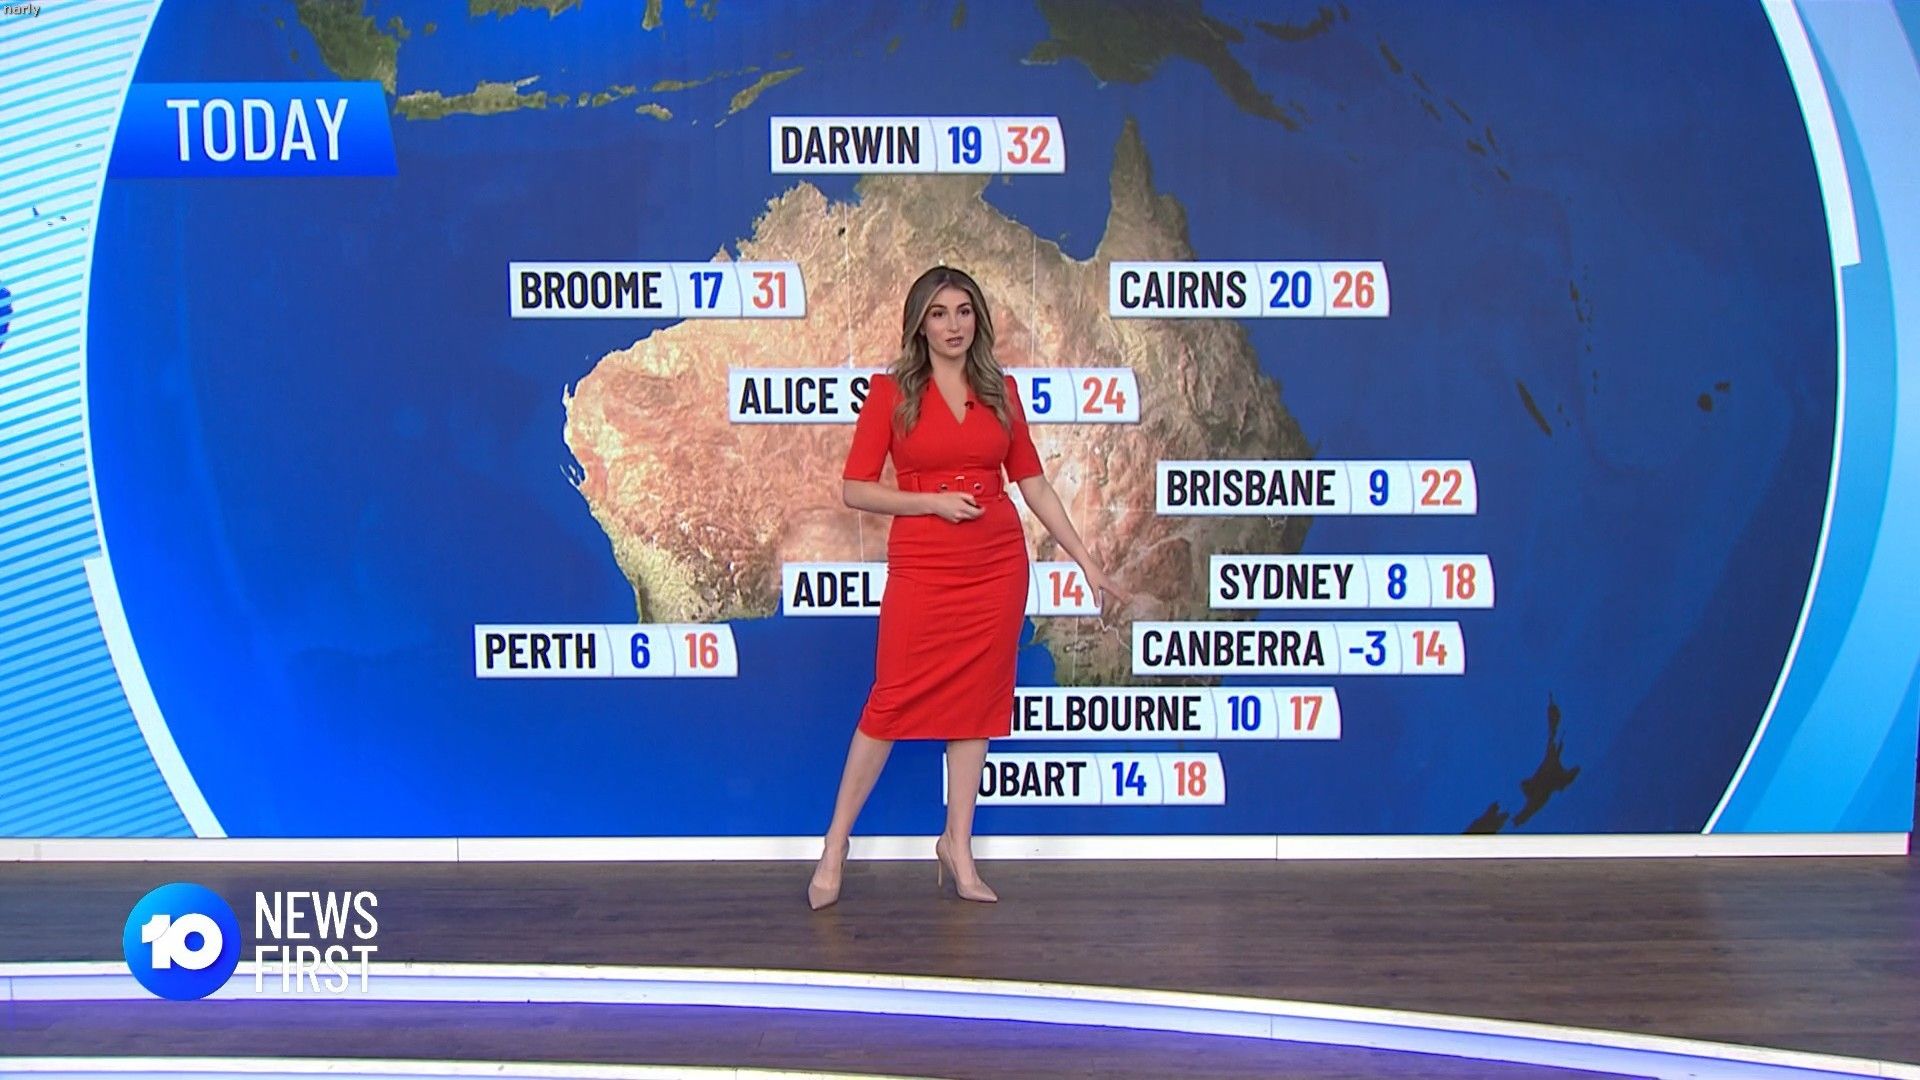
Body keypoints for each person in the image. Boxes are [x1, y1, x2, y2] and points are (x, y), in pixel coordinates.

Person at [807, 265, 1126, 910]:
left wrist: (1086, 561)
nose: (953, 326)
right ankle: (835, 845)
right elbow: (854, 489)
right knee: (890, 701)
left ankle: (958, 845)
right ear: (919, 325)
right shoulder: (890, 394)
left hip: (996, 566)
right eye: (939, 313)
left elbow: (1033, 483)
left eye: (963, 312)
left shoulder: (1000, 392)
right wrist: (931, 503)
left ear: (977, 319)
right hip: (924, 566)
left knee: (976, 705)